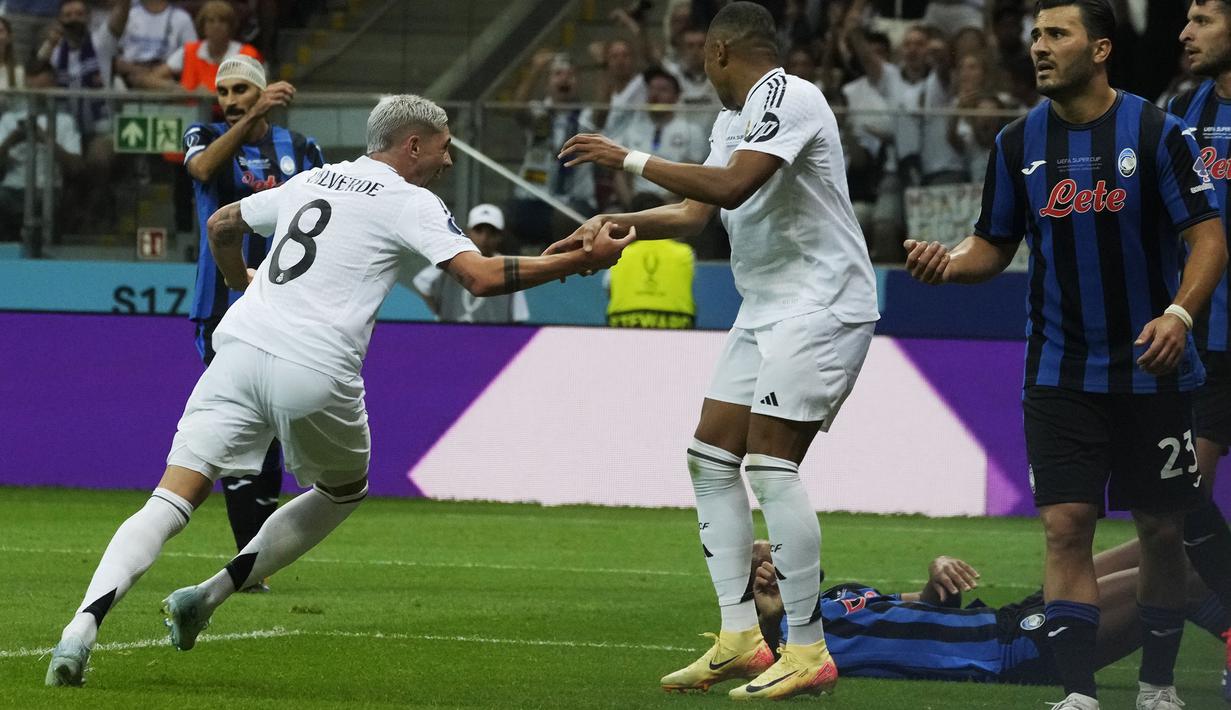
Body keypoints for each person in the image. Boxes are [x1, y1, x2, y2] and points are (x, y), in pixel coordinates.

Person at [44, 93, 636, 688]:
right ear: (413, 145)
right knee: (343, 490)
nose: (449, 160)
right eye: (444, 147)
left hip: (239, 352)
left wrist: (239, 283)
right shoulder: (410, 200)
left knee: (170, 499)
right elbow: (479, 278)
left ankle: (79, 629)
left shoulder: (312, 179)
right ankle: (210, 595)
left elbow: (221, 223)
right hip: (314, 368)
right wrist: (577, 263)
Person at [902, 1, 1228, 708]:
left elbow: (1208, 238)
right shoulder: (1016, 142)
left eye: (1057, 34)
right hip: (1058, 371)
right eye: (1035, 36)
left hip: (1152, 368)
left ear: (1100, 48)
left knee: (1161, 530)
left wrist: (1178, 314)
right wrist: (948, 263)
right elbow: (992, 244)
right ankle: (1078, 692)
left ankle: (1157, 684)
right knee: (1065, 527)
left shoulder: (1157, 132)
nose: (1039, 48)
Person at [554, 2, 879, 700]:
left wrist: (626, 157)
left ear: (720, 51)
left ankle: (807, 647)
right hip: (764, 309)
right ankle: (739, 638)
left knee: (770, 464)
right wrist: (614, 220)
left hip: (822, 304)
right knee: (708, 458)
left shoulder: (792, 96)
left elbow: (733, 187)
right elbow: (694, 212)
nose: (700, 68)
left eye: (702, 56)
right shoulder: (733, 121)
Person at [182, 55, 323, 574]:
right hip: (221, 304)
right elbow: (201, 170)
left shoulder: (302, 149)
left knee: (279, 424)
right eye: (223, 93)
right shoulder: (204, 137)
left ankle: (253, 556)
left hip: (287, 304)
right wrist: (251, 116)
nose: (230, 100)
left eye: (241, 90)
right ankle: (247, 559)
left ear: (260, 91)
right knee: (241, 420)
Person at [748, 538, 1229, 686]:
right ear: (762, 586)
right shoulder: (793, 639)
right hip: (1012, 651)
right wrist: (770, 620)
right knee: (1176, 580)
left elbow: (925, 606)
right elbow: (785, 665)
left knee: (1167, 542)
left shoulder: (842, 595)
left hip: (1007, 618)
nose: (780, 547)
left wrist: (936, 574)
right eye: (767, 556)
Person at [1169, 1, 1231, 696]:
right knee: (1183, 497)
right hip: (1208, 342)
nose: (1185, 33)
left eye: (1203, 19)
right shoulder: (1183, 114)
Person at [412, 203, 529, 324]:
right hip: (454, 333)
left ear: (500, 236)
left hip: (493, 335)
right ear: (468, 232)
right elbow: (421, 282)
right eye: (478, 230)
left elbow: (519, 316)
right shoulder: (453, 261)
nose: (484, 238)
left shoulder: (508, 268)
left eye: (491, 232)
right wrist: (440, 314)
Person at [613, 67, 708, 205]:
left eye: (663, 90)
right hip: (637, 202)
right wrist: (630, 204)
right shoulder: (632, 130)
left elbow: (693, 175)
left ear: (676, 96)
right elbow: (620, 174)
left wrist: (664, 205)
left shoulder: (692, 131)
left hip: (674, 203)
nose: (655, 94)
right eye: (651, 89)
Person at [605, 192, 696, 329]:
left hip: (624, 324)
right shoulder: (686, 252)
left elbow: (609, 290)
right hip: (677, 325)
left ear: (628, 219)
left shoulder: (617, 251)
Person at [147, 0, 263, 92]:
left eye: (222, 21)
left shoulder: (247, 54)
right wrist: (180, 89)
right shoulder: (189, 51)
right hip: (192, 113)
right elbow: (152, 78)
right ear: (203, 26)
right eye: (211, 21)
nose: (216, 26)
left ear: (231, 26)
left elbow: (256, 89)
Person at [114, 0, 196, 89]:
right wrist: (136, 70)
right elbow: (112, 58)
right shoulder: (128, 15)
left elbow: (193, 57)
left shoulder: (182, 18)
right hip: (130, 76)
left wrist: (161, 72)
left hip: (166, 74)